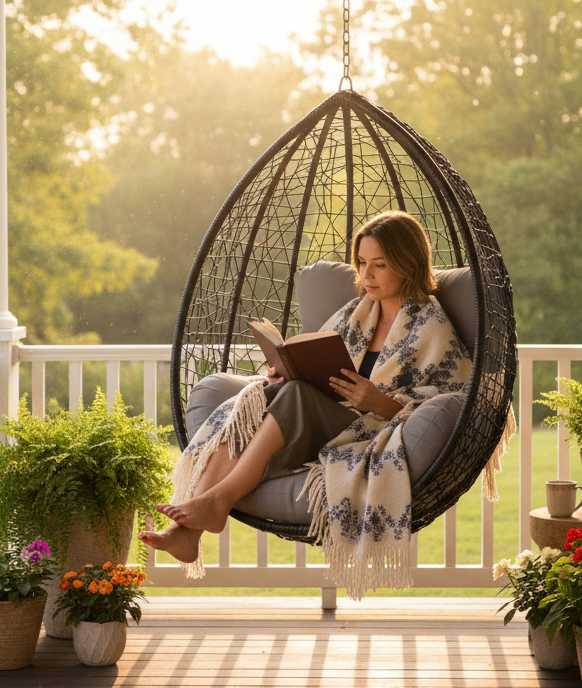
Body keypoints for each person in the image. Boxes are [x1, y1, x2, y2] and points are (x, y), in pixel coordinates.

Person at [138, 211, 472, 595]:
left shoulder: (432, 325)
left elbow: (451, 403)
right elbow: (316, 353)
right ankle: (187, 532)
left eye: (380, 265)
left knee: (293, 397)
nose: (367, 275)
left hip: (365, 428)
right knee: (259, 398)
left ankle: (214, 503)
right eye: (361, 263)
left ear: (408, 263)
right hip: (318, 418)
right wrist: (283, 370)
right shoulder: (355, 313)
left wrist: (378, 401)